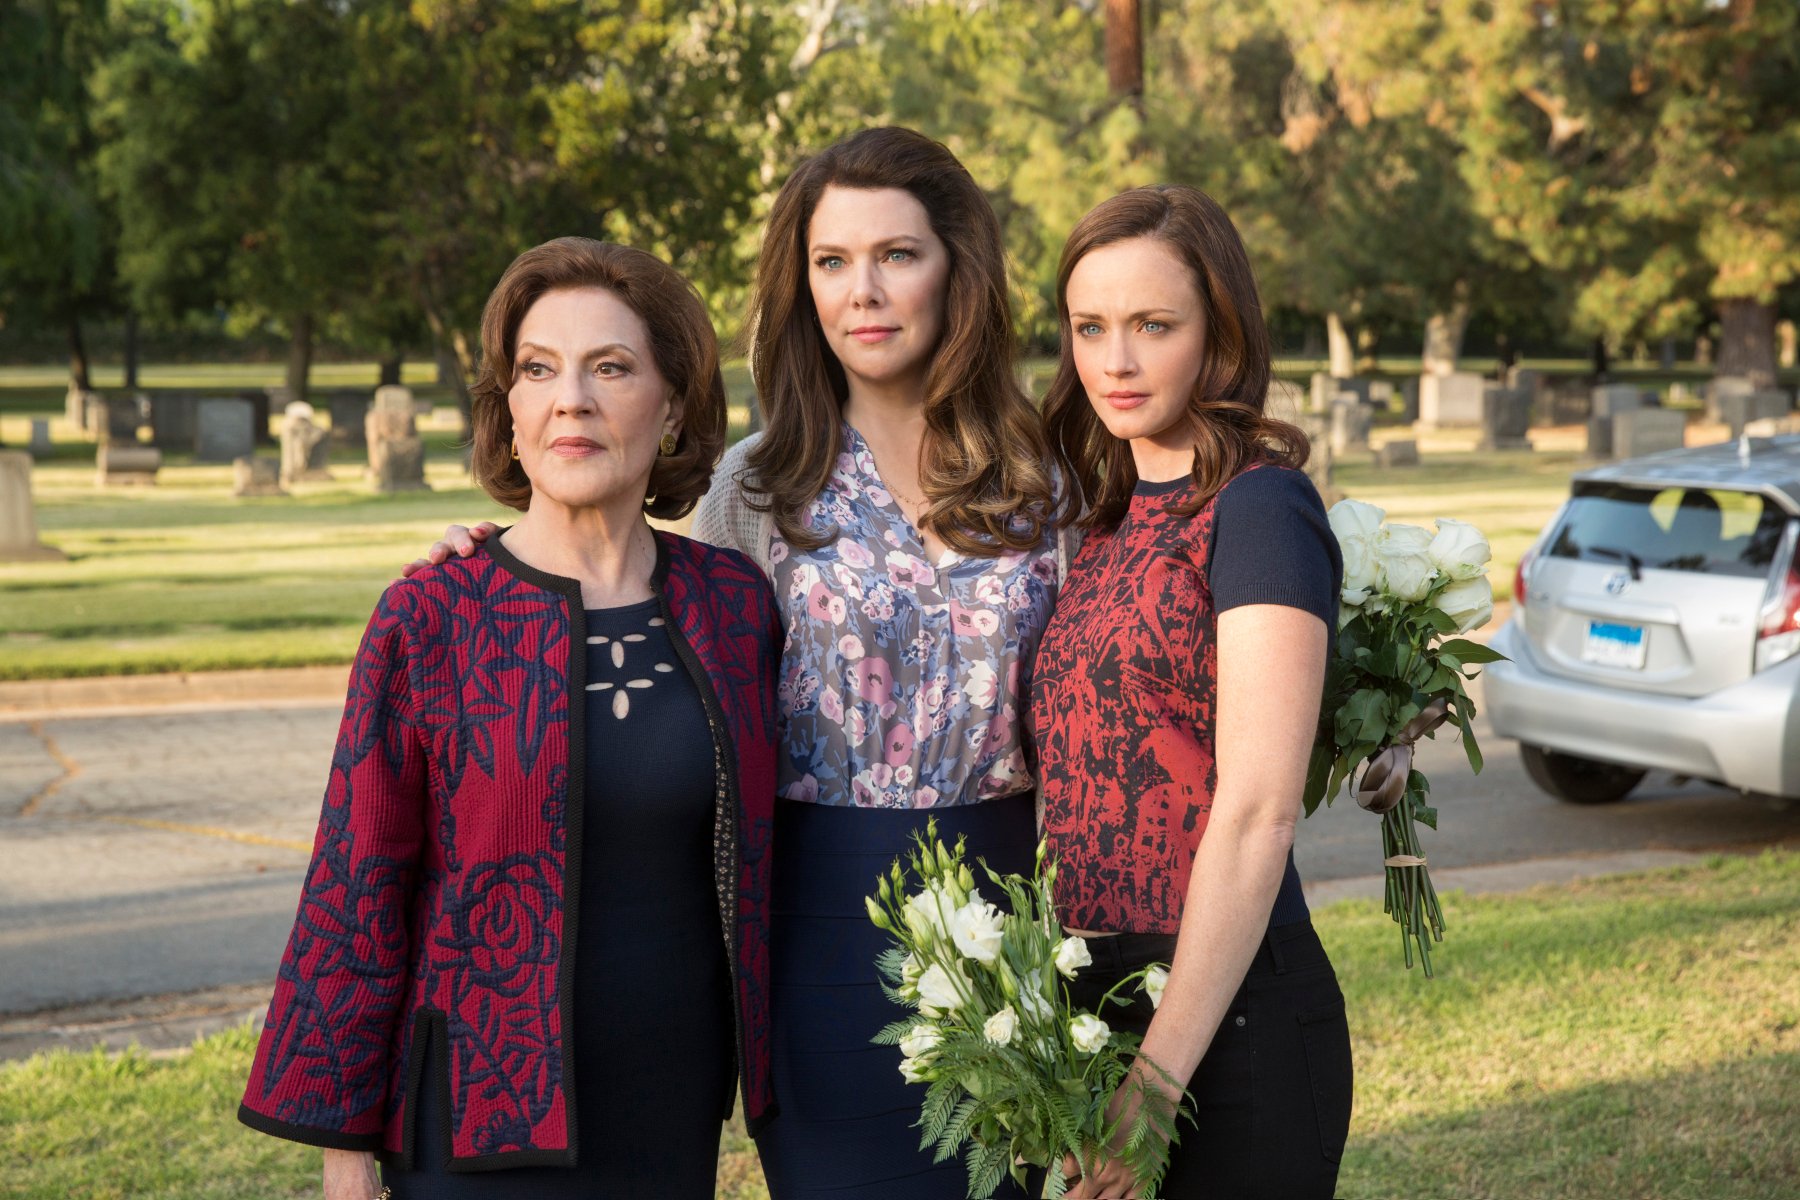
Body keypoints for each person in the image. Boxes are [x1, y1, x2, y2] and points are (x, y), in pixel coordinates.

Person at [418, 127, 1065, 1199]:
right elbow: (630, 607)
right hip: (815, 939)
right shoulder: (754, 491)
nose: (864, 290)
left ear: (960, 269)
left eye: (897, 254)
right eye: (831, 261)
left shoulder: (1053, 486)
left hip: (1017, 932)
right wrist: (487, 566)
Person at [238, 237, 781, 1200]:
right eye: (539, 369)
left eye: (610, 367)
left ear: (673, 407)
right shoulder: (433, 614)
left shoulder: (734, 605)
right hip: (475, 1116)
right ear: (512, 413)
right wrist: (344, 1154)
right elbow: (356, 877)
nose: (570, 397)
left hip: (670, 1107)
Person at [1029, 186, 1354, 1199]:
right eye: (1091, 328)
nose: (1115, 361)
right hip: (1095, 1005)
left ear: (1219, 334)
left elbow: (1257, 810)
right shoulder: (1102, 522)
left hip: (1229, 1016)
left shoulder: (1259, 507)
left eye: (1152, 326)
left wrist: (1158, 1079)